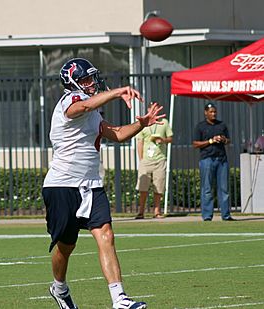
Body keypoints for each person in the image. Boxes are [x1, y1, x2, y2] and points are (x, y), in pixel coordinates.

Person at [42, 58, 165, 309]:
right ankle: (59, 287)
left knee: (106, 234)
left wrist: (141, 124)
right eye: (85, 78)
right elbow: (82, 106)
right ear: (73, 82)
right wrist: (118, 91)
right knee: (66, 247)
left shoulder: (94, 113)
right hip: (62, 185)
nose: (91, 82)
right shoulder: (68, 101)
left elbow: (118, 134)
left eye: (91, 77)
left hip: (91, 184)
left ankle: (119, 299)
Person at [193, 103, 234, 221]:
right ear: (205, 113)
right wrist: (210, 141)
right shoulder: (200, 126)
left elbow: (228, 140)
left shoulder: (222, 125)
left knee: (224, 189)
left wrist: (223, 139)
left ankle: (226, 215)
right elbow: (195, 144)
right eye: (211, 112)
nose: (213, 114)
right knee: (207, 188)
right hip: (207, 159)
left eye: (214, 112)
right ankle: (207, 216)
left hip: (221, 160)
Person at [135, 104, 173, 219]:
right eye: (152, 108)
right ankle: (141, 211)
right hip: (146, 159)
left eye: (156, 108)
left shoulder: (164, 122)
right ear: (148, 110)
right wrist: (141, 159)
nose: (154, 110)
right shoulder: (143, 123)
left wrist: (163, 140)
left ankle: (157, 211)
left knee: (159, 186)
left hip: (160, 159)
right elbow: (140, 141)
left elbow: (170, 138)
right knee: (143, 186)